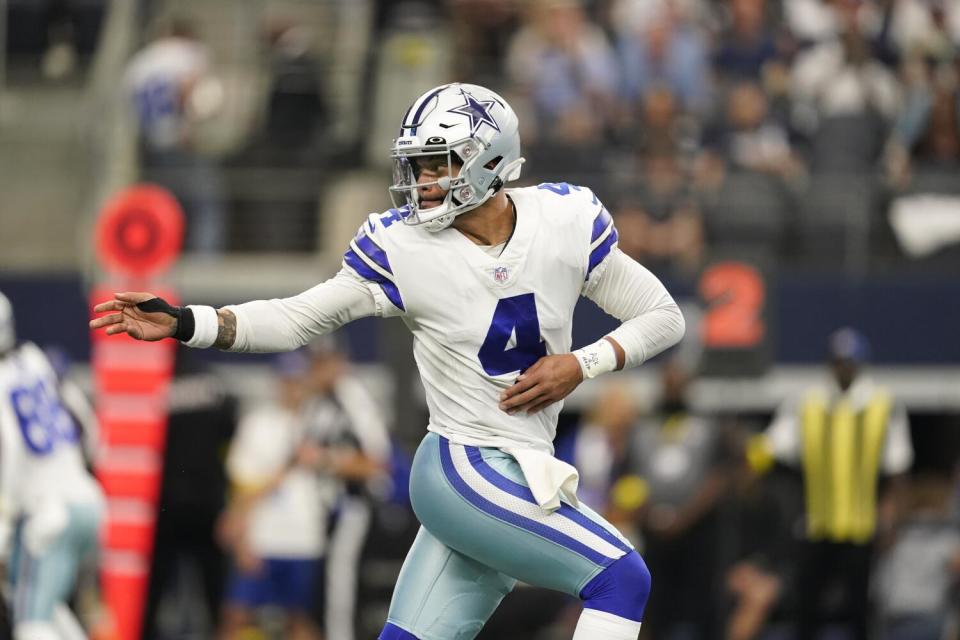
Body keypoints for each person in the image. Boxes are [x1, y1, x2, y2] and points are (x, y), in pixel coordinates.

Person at [90, 82, 686, 640]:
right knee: (621, 577)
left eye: (440, 162)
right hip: (463, 464)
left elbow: (663, 316)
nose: (423, 180)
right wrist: (185, 321)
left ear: (492, 161)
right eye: (418, 164)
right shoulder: (402, 246)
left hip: (517, 463)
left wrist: (583, 364)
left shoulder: (565, 220)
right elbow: (297, 318)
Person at [756, 327, 914, 640]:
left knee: (859, 609)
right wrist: (749, 454)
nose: (843, 368)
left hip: (861, 526)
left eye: (849, 362)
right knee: (807, 607)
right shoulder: (807, 402)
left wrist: (891, 518)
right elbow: (772, 447)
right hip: (817, 524)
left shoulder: (883, 405)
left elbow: (898, 470)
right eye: (838, 361)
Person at [0, 291, 105, 640]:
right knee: (44, 608)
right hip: (85, 497)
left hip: (46, 514)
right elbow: (84, 430)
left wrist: (4, 517)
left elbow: (9, 449)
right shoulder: (32, 358)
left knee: (30, 624)